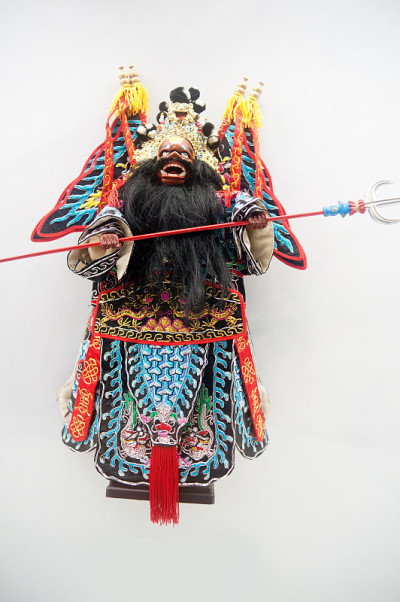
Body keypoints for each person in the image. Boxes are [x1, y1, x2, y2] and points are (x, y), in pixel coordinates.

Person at [33, 72, 306, 524]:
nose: (173, 158)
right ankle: (133, 466)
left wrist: (257, 224)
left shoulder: (220, 204)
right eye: (165, 153)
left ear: (198, 165)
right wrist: (106, 238)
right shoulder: (127, 202)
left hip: (205, 325)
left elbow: (253, 260)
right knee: (130, 401)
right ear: (148, 162)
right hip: (129, 324)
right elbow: (94, 253)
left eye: (183, 154)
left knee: (199, 408)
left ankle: (189, 471)